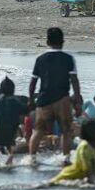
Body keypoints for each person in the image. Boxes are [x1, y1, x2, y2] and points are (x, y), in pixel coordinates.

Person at [29, 27, 81, 164]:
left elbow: (33, 82)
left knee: (38, 131)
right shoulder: (68, 59)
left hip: (44, 99)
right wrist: (77, 101)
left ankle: (31, 158)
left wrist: (31, 100)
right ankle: (65, 158)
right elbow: (74, 81)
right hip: (62, 100)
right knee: (65, 130)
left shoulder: (40, 59)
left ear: (47, 42)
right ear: (62, 42)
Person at [50, 120, 95, 186]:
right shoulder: (85, 147)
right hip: (66, 177)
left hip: (78, 179)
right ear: (92, 133)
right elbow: (86, 171)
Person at [0, 77, 28, 164]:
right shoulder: (16, 101)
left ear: (1, 90)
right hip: (11, 128)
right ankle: (10, 159)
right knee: (10, 147)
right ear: (13, 90)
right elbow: (25, 110)